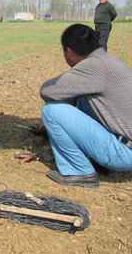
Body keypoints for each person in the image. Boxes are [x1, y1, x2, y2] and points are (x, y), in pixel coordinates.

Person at [37, 24, 132, 188]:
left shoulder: (93, 66)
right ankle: (101, 163)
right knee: (81, 98)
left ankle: (80, 171)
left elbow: (48, 90)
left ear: (69, 52)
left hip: (123, 154)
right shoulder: (108, 60)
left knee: (51, 111)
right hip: (125, 144)